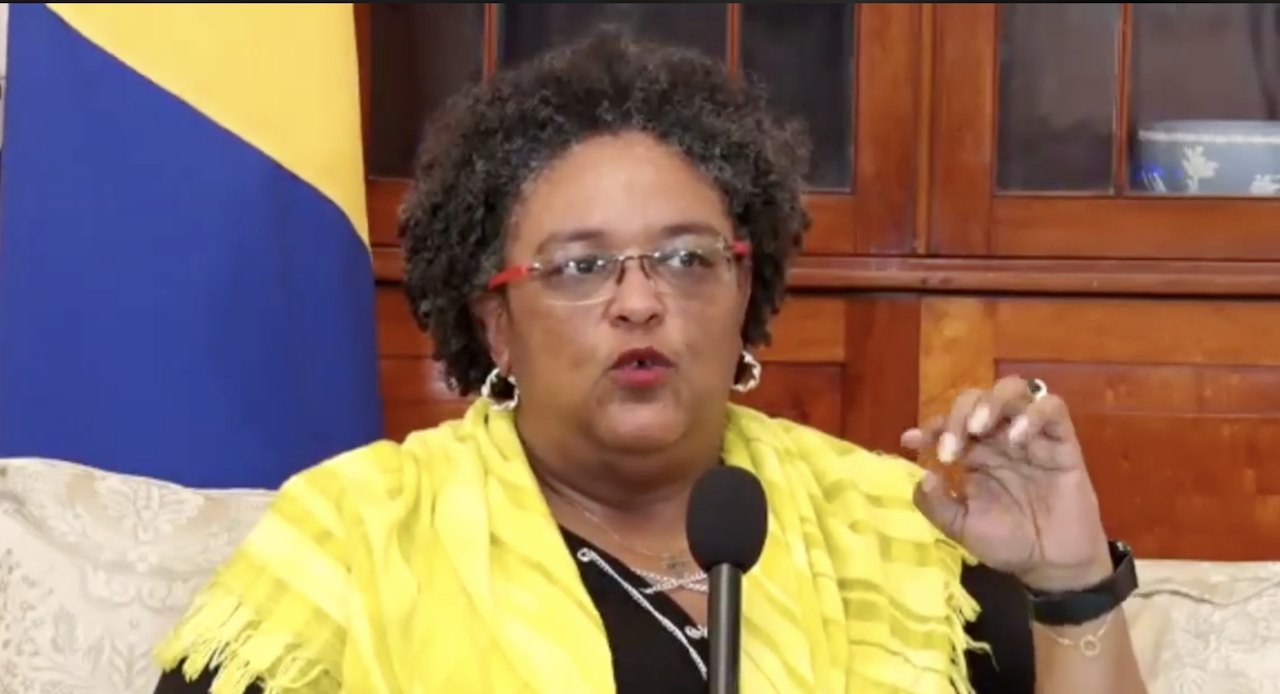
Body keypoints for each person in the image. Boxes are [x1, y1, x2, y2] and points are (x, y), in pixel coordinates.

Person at [153, 30, 1146, 694]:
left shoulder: (895, 531)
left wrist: (1069, 579)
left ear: (743, 295)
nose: (639, 301)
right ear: (496, 326)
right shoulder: (357, 535)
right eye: (580, 267)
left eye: (685, 258)